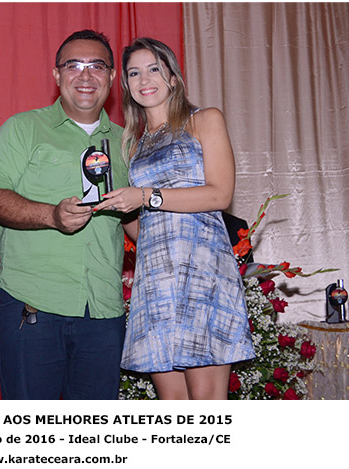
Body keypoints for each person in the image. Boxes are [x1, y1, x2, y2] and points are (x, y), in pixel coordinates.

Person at [94, 37, 255, 400]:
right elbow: (145, 229)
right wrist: (117, 209)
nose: (144, 79)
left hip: (202, 273)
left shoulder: (204, 120)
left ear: (172, 77)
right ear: (126, 85)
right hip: (155, 280)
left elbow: (219, 194)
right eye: (134, 73)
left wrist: (145, 196)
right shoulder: (132, 145)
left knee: (206, 405)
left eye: (153, 69)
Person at [0, 30, 128, 400]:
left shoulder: (128, 143)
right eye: (73, 66)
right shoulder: (23, 129)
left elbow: (138, 222)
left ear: (112, 76)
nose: (85, 75)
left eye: (97, 66)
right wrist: (52, 216)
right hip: (35, 305)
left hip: (103, 309)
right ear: (56, 74)